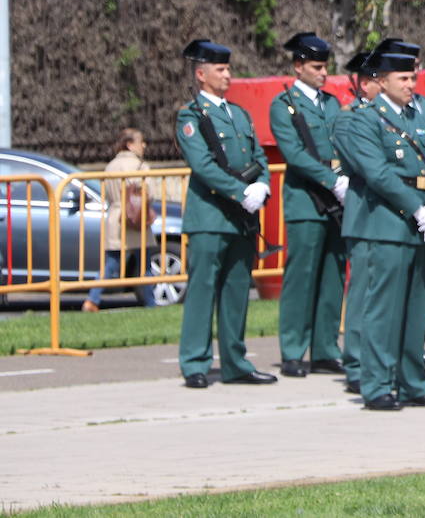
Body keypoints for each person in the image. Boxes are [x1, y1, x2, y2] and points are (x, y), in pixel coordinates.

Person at [348, 48, 425, 410]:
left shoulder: (420, 113)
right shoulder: (363, 118)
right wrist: (418, 206)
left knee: (418, 306)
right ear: (380, 81)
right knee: (383, 308)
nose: (411, 84)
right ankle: (376, 384)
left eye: (412, 78)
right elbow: (376, 172)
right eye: (403, 79)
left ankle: (413, 382)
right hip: (387, 221)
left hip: (424, 222)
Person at [175, 39, 277, 388]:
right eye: (220, 70)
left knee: (236, 291)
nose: (227, 75)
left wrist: (261, 185)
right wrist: (239, 191)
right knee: (203, 290)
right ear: (201, 74)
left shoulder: (240, 114)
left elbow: (257, 157)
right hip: (210, 216)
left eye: (228, 69)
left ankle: (235, 362)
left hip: (241, 218)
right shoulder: (192, 115)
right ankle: (195, 363)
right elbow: (202, 165)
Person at [270, 32, 349, 379]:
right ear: (298, 66)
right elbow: (295, 154)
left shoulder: (331, 104)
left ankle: (326, 349)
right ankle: (292, 350)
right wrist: (332, 180)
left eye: (325, 67)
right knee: (301, 278)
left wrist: (346, 177)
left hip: (337, 201)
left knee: (333, 274)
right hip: (306, 201)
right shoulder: (283, 104)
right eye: (316, 67)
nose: (323, 73)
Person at [334, 48, 382, 395]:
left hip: (393, 218)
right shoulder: (350, 119)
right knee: (364, 293)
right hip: (366, 216)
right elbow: (368, 166)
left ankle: (381, 359)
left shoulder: (397, 117)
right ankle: (355, 362)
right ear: (365, 84)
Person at [84, 128, 153, 311]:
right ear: (130, 145)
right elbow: (149, 193)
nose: (144, 145)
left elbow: (106, 193)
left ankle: (92, 298)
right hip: (137, 219)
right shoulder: (139, 165)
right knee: (144, 265)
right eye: (140, 141)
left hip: (116, 216)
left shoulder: (111, 165)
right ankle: (151, 304)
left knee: (111, 263)